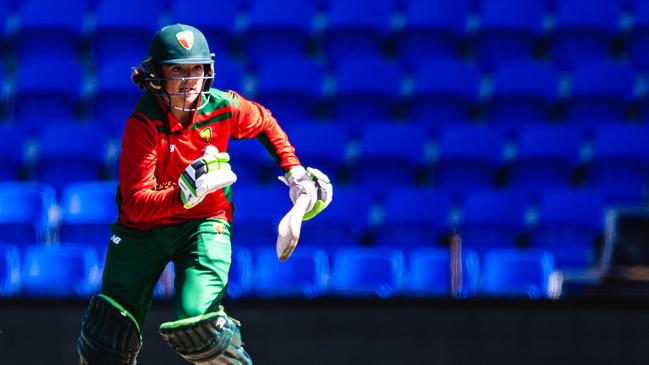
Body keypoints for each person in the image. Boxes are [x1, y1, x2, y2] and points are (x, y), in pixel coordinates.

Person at [76, 23, 332, 365]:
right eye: (176, 69)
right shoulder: (144, 124)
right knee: (106, 338)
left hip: (204, 224)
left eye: (195, 68)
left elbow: (265, 122)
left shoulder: (223, 106)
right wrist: (183, 194)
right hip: (142, 231)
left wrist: (294, 170)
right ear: (156, 74)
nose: (188, 80)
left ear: (207, 70)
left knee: (201, 329)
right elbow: (136, 206)